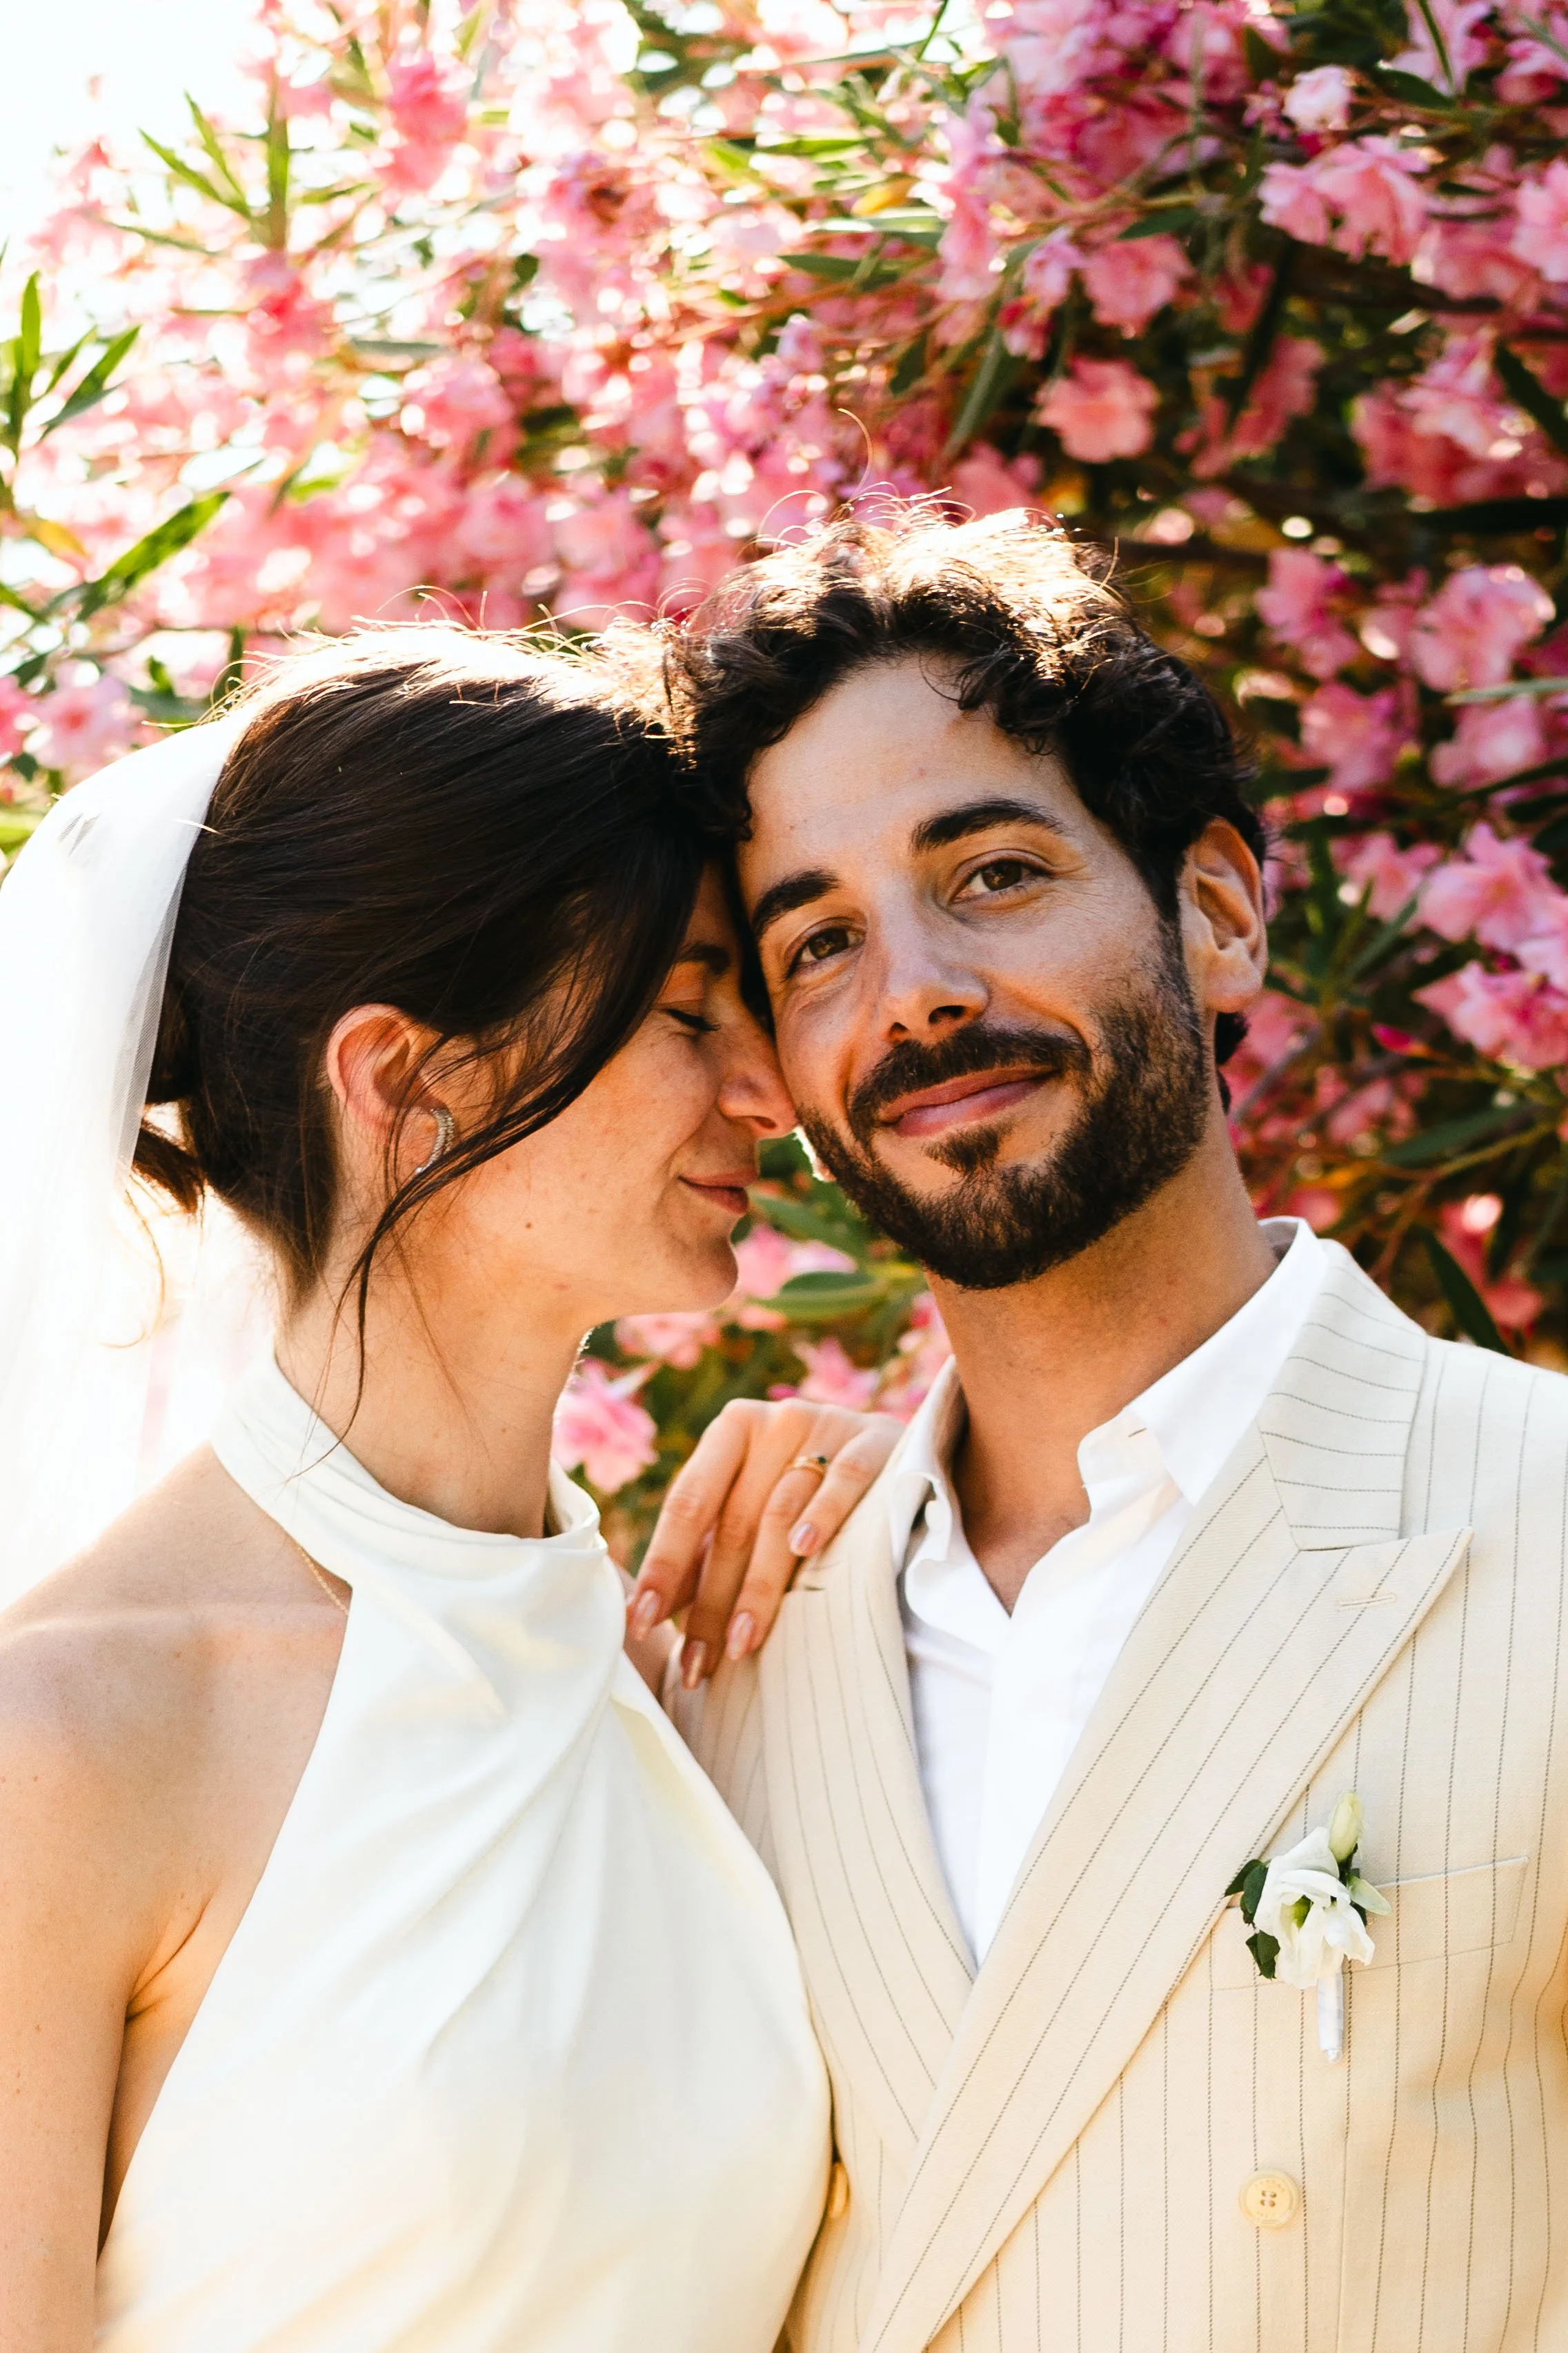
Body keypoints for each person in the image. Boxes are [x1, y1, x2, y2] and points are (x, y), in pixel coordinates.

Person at [637, 509, 1568, 2353]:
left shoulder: (1539, 1520)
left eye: (986, 875)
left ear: (1214, 907)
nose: (916, 992)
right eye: (816, 940)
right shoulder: (728, 1650)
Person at [0, 629, 899, 2353]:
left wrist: (906, 1511)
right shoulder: (75, 1732)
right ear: (407, 1078)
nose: (772, 1093)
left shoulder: (676, 1678)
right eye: (685, 1009)